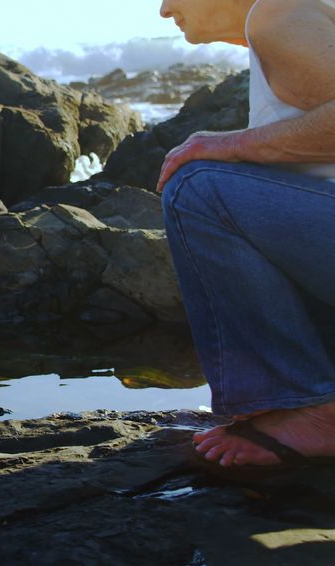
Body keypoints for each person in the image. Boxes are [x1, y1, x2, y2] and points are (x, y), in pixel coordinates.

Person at [157, 0, 335, 467]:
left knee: (197, 188)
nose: (163, 8)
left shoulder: (278, 12)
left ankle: (311, 410)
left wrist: (231, 144)